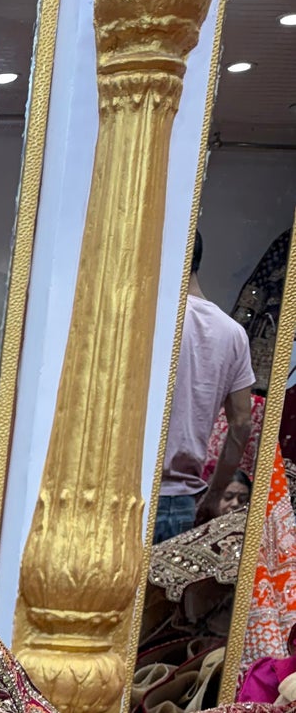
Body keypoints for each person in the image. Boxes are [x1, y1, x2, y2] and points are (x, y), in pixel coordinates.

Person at [156, 230, 254, 542]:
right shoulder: (233, 333)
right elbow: (241, 423)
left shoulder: (152, 319)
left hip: (130, 491)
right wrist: (213, 496)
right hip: (184, 499)